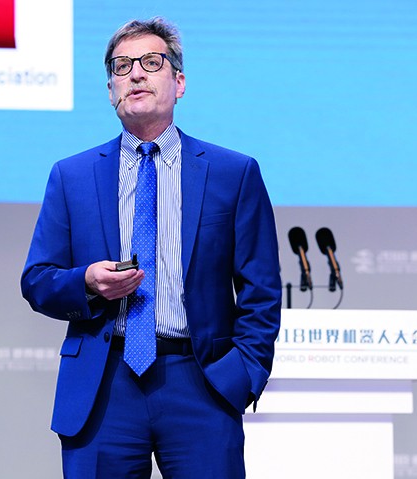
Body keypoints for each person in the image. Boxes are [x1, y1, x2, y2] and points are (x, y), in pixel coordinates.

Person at [21, 17, 281, 478]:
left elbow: (261, 289)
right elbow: (38, 280)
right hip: (104, 384)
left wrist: (243, 374)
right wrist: (87, 283)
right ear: (110, 91)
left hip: (200, 381)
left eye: (151, 62)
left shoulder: (233, 173)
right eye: (122, 66)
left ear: (179, 83)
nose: (136, 73)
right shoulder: (71, 176)